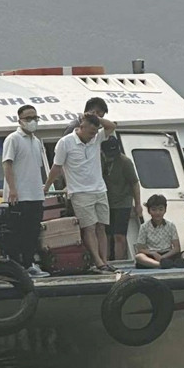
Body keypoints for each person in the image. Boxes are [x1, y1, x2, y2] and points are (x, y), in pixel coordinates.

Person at [45, 113, 117, 272]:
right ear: (81, 127)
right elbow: (57, 167)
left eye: (95, 132)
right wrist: (47, 186)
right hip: (79, 191)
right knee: (89, 227)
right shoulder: (65, 142)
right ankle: (98, 262)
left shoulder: (96, 138)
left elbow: (111, 126)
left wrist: (96, 118)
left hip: (100, 189)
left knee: (101, 227)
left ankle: (105, 261)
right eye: (90, 132)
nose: (93, 136)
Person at [2, 105, 50, 278]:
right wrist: (12, 189)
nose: (32, 121)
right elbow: (7, 164)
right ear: (20, 120)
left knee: (32, 232)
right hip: (19, 196)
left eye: (35, 118)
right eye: (28, 118)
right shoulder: (13, 139)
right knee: (17, 233)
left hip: (35, 195)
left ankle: (29, 264)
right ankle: (17, 267)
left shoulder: (36, 141)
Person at [101, 136, 142, 260]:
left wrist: (138, 204)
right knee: (106, 235)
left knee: (119, 235)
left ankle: (120, 261)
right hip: (105, 202)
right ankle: (105, 260)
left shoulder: (125, 162)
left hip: (123, 203)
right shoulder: (99, 160)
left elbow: (134, 183)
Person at [135, 194, 184, 269]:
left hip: (169, 254)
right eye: (154, 210)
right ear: (149, 211)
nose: (157, 213)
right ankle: (160, 264)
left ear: (165, 210)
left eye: (161, 209)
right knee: (139, 257)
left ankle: (174, 263)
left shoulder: (170, 225)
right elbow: (140, 248)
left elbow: (177, 248)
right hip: (153, 256)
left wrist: (163, 257)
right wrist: (153, 253)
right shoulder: (144, 227)